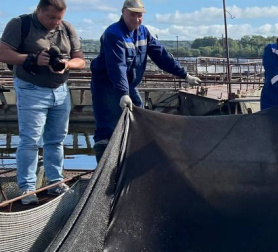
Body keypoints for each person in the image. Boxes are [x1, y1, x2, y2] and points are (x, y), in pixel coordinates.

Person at [89, 0, 201, 162]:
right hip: (106, 86)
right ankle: (104, 172)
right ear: (123, 12)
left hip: (128, 85)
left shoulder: (143, 33)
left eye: (139, 15)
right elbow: (117, 66)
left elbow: (161, 55)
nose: (136, 19)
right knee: (106, 129)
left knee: (138, 119)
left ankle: (128, 162)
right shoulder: (114, 34)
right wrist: (123, 93)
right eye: (132, 14)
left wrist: (185, 75)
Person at [0, 0, 85, 205]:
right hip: (31, 89)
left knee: (56, 139)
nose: (56, 22)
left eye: (59, 18)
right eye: (51, 17)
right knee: (31, 140)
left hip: (60, 90)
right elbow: (2, 53)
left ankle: (55, 182)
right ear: (39, 11)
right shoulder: (20, 24)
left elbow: (80, 60)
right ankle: (28, 188)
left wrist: (66, 64)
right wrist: (31, 59)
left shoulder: (66, 28)